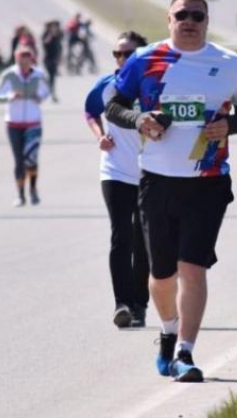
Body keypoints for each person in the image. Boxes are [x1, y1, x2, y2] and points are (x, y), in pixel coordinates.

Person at [105, 0, 237, 383]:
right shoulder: (145, 60)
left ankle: (185, 354)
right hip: (157, 181)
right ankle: (168, 332)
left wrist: (230, 125)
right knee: (161, 275)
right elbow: (114, 107)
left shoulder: (228, 63)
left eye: (197, 15)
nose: (189, 21)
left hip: (208, 182)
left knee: (193, 267)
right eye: (182, 15)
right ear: (169, 20)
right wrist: (140, 119)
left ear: (206, 21)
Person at [85, 31, 150, 329]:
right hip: (114, 171)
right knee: (121, 237)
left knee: (144, 241)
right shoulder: (107, 85)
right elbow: (90, 110)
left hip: (150, 172)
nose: (121, 59)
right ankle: (121, 304)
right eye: (117, 54)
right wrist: (99, 136)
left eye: (127, 54)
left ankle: (140, 304)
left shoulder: (153, 84)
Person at [0, 46, 50, 207]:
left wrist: (39, 97)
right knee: (19, 160)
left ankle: (33, 190)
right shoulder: (9, 75)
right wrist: (10, 96)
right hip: (13, 123)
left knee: (31, 159)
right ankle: (20, 195)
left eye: (27, 61)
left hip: (33, 123)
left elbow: (46, 91)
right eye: (21, 61)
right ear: (16, 60)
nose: (24, 65)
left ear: (31, 60)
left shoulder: (39, 75)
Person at [42, 20, 63, 102]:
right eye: (51, 27)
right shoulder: (45, 35)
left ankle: (51, 93)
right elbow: (45, 42)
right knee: (50, 76)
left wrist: (59, 58)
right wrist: (50, 34)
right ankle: (50, 93)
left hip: (54, 59)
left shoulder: (57, 36)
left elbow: (59, 47)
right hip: (48, 58)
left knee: (52, 77)